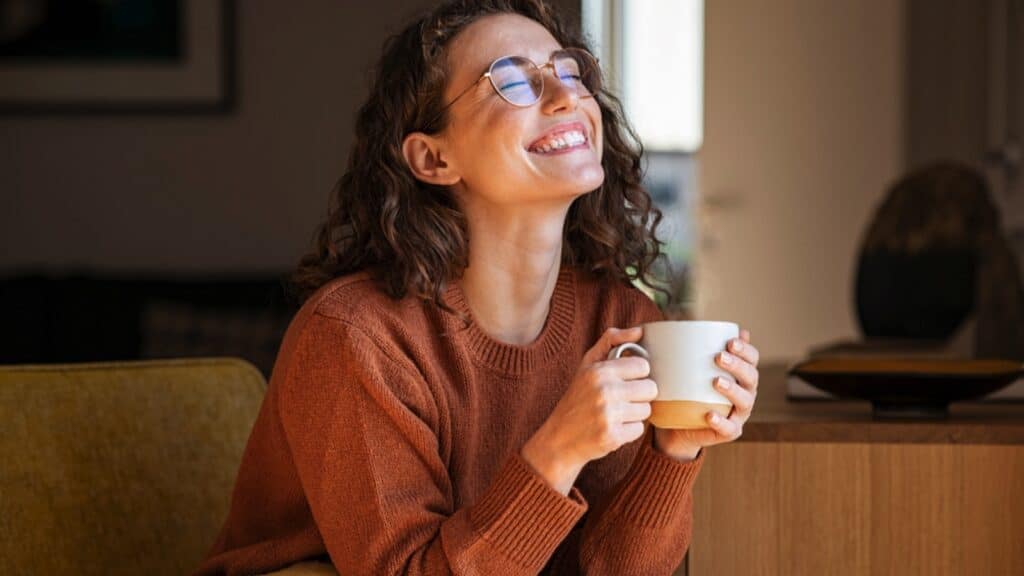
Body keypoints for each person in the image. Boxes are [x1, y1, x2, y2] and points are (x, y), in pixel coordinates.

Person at [195, 1, 760, 574]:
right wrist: (557, 451)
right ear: (433, 158)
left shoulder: (620, 317)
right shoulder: (356, 338)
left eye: (568, 70)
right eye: (512, 80)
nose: (566, 96)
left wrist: (674, 449)